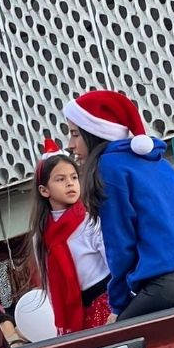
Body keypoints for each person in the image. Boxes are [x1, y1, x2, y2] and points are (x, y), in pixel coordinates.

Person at [64, 90, 174, 320]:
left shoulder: (109, 166)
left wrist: (118, 306)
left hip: (171, 282)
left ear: (95, 132)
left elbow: (119, 243)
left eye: (75, 134)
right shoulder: (158, 161)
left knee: (120, 343)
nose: (70, 144)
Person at [24, 138, 110, 334]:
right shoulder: (41, 236)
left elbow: (113, 262)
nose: (70, 184)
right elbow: (50, 286)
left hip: (106, 303)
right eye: (60, 179)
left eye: (73, 177)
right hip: (76, 312)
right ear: (44, 190)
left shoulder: (90, 220)